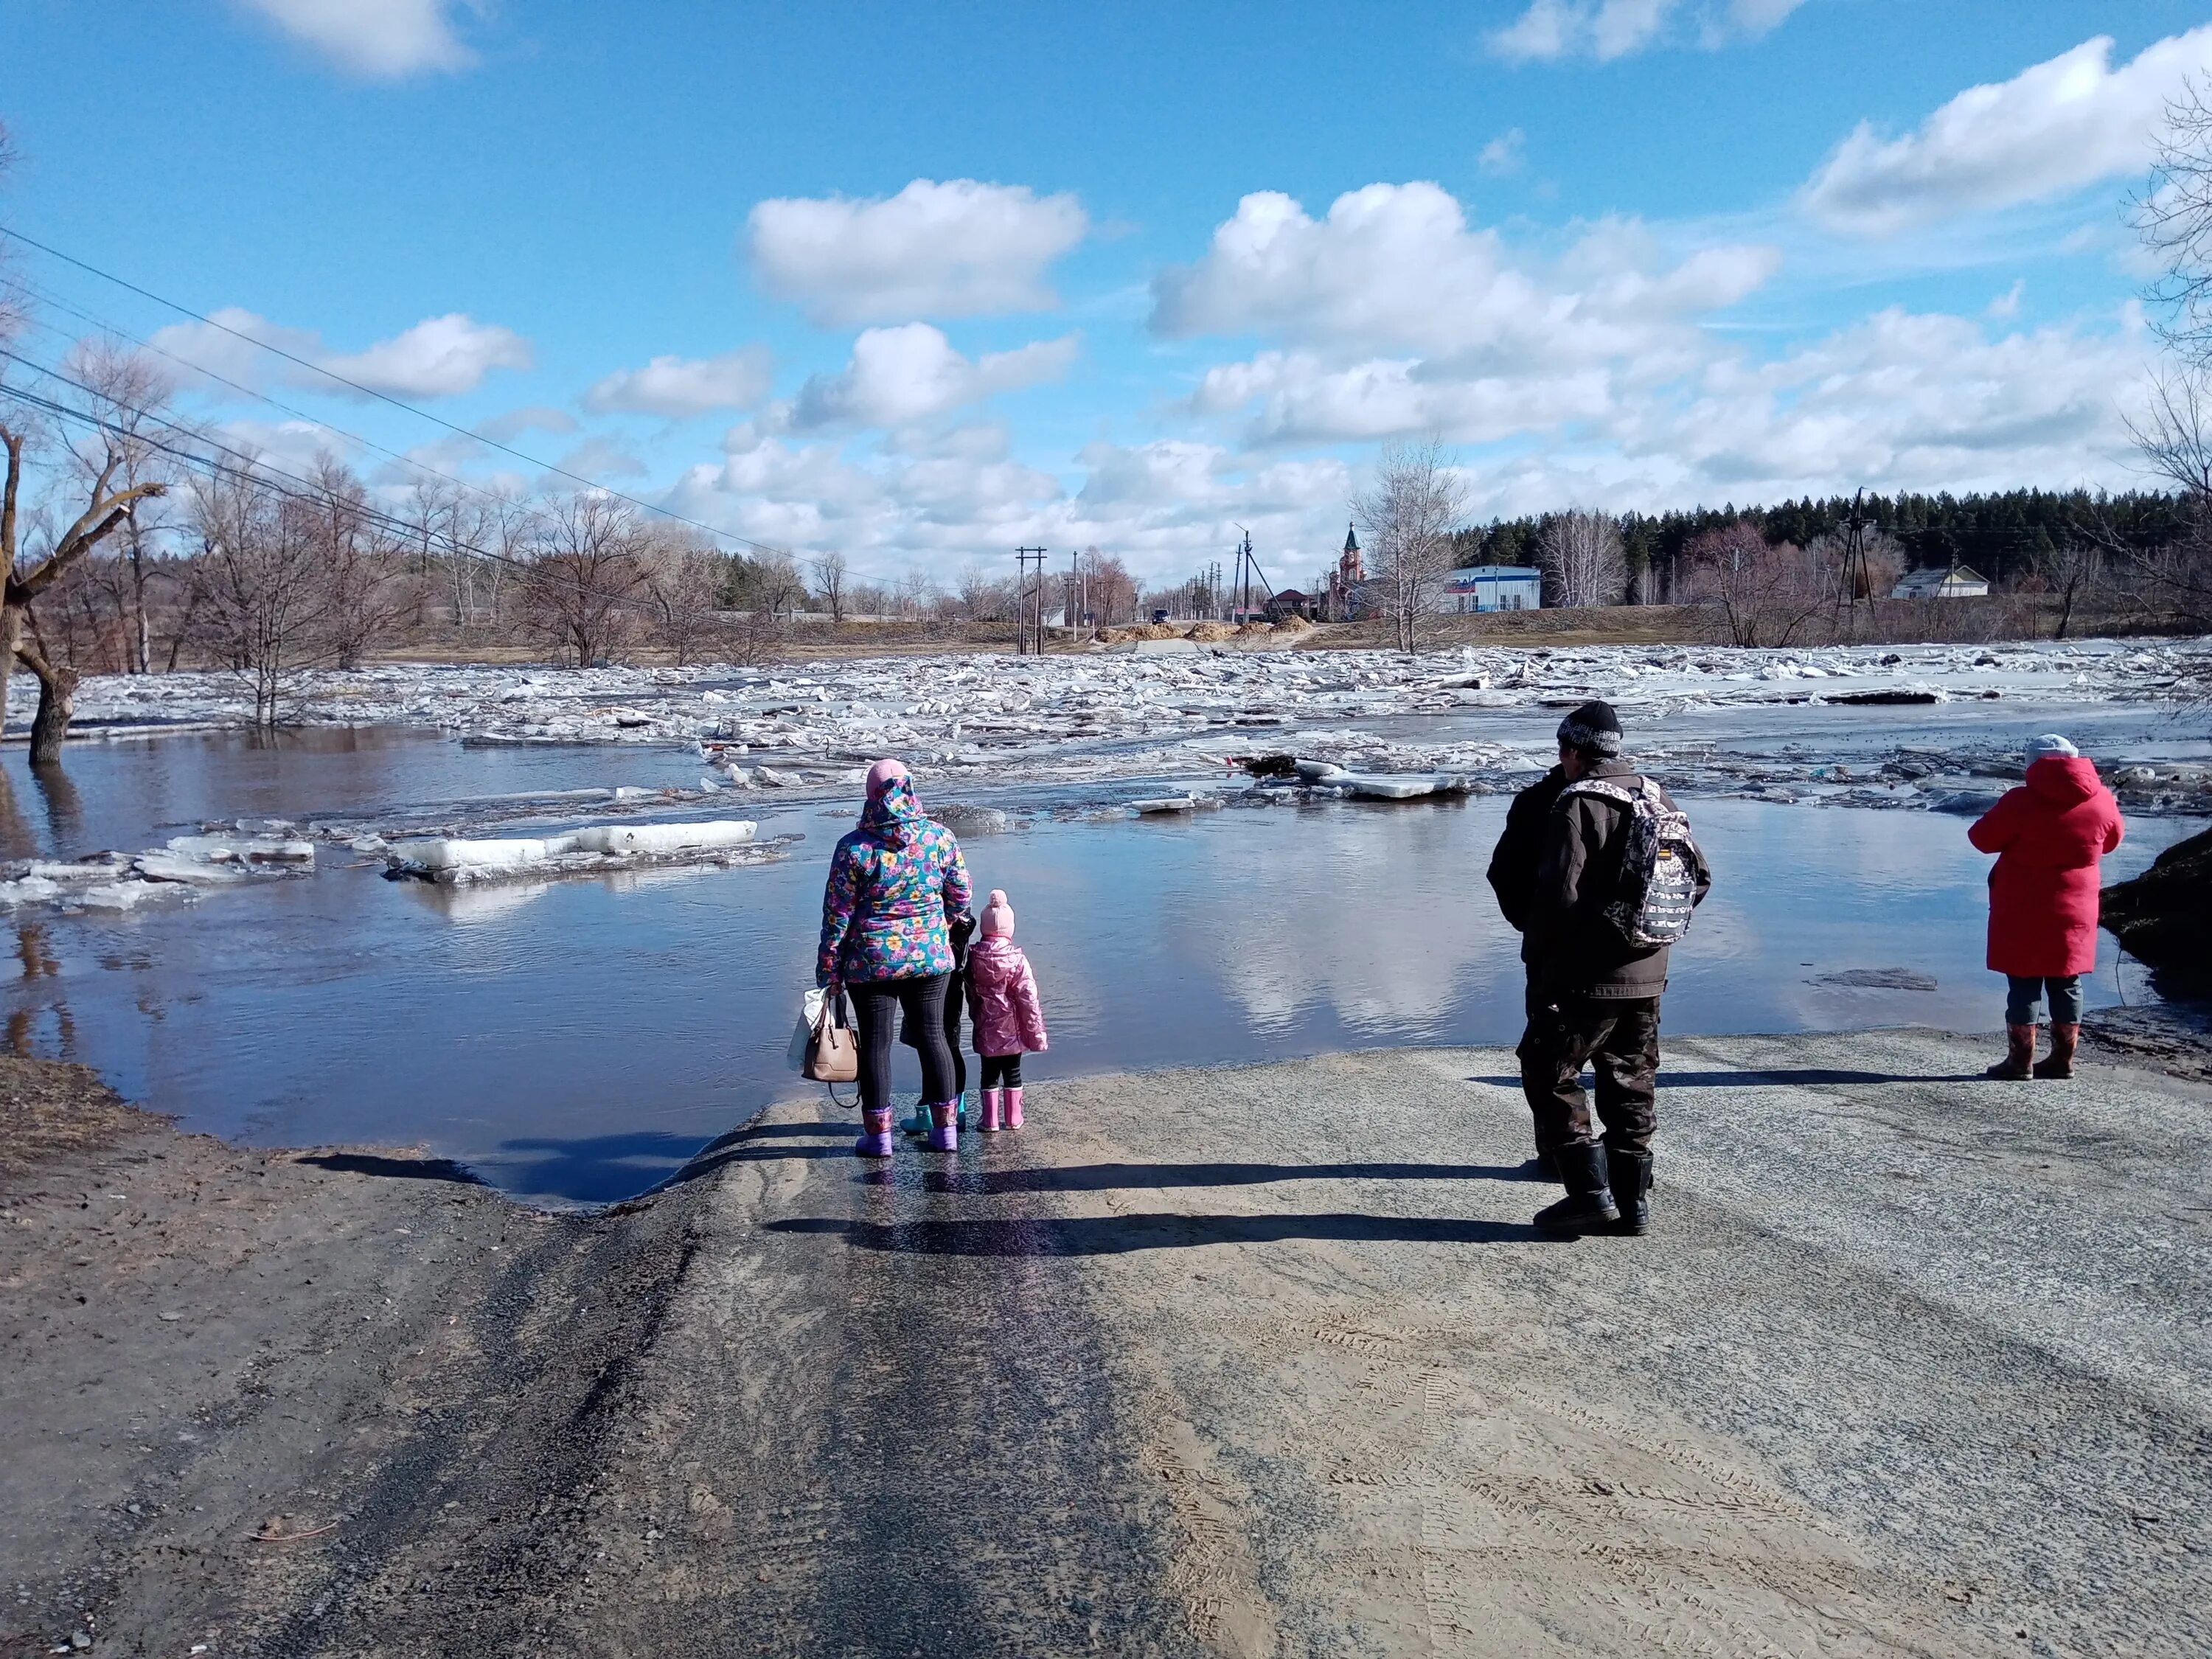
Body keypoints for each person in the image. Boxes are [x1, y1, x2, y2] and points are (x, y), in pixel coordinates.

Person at [1520, 700, 1710, 1237]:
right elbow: (1701, 879)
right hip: (1649, 973)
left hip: (1587, 974)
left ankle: (1588, 1194)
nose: (1562, 760)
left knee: (1547, 1069)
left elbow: (1557, 897)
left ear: (1575, 752)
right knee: (1632, 1081)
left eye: (1563, 750)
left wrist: (1547, 961)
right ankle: (1634, 1206)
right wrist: (1644, 931)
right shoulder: (1655, 794)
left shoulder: (1576, 803)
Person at [816, 759, 973, 1156]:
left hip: (871, 962)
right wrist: (944, 924)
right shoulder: (940, 838)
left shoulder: (853, 848)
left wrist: (829, 967)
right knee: (934, 1037)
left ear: (870, 795)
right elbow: (962, 894)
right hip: (931, 958)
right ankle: (946, 1132)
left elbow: (838, 915)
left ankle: (879, 1138)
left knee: (875, 1046)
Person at [1968, 734, 2124, 1081]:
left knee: (2023, 982)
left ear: (2033, 764)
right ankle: (2062, 1061)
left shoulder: (2020, 802)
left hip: (2023, 908)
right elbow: (2112, 842)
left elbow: (1980, 839)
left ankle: (2020, 1062)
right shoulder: (2102, 801)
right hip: (2076, 910)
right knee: (2067, 982)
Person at [1486, 740, 1574, 1175]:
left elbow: (1503, 873)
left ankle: (1567, 1164)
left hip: (1559, 957)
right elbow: (1692, 878)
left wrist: (1532, 927)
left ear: (1568, 751)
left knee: (1551, 1060)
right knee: (1628, 1068)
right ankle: (1630, 1176)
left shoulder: (1541, 801)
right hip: (1637, 964)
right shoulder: (1650, 796)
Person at [965, 888, 1048, 1132]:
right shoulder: (1017, 961)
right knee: (1013, 1072)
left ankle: (989, 1121)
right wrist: (1037, 1036)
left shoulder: (972, 959)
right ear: (1009, 929)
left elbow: (970, 993)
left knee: (988, 1074)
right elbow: (1029, 1000)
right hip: (1012, 1031)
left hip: (984, 1029)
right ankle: (1013, 1119)